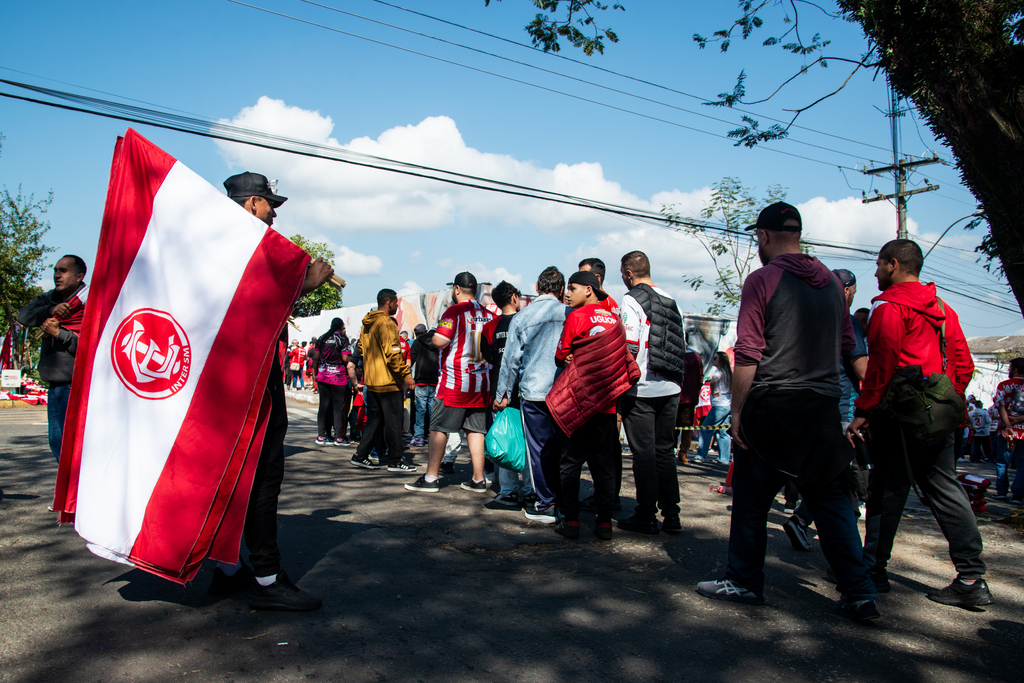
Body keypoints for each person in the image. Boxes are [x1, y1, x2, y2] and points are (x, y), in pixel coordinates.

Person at [697, 201, 878, 621]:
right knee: (831, 501)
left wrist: (737, 412)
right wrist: (869, 403)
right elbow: (853, 352)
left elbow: (749, 352)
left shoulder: (763, 279)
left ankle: (743, 581)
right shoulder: (833, 284)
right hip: (822, 409)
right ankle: (860, 592)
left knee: (750, 499)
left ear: (762, 237)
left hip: (775, 404)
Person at [208, 171, 332, 611]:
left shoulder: (213, 246)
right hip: (249, 381)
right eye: (269, 204)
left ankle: (227, 567)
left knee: (233, 474)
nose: (275, 213)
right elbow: (249, 310)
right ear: (250, 204)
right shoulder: (239, 249)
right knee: (262, 476)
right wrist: (307, 284)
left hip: (229, 382)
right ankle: (266, 578)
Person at [847, 238, 989, 609]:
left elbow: (881, 364)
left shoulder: (890, 308)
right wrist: (944, 403)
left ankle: (872, 571)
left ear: (893, 265)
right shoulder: (943, 309)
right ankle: (972, 577)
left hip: (898, 416)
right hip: (939, 417)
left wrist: (864, 409)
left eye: (879, 265)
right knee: (945, 488)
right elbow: (965, 365)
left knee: (886, 491)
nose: (876, 273)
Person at [783, 267, 870, 553]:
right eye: (853, 293)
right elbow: (862, 368)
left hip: (808, 407)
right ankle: (848, 557)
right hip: (842, 410)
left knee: (831, 476)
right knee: (841, 478)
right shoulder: (846, 319)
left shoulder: (806, 314)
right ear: (846, 290)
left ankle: (804, 520)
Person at [547, 271, 638, 540]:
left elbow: (560, 355)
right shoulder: (615, 319)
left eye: (572, 289)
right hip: (607, 406)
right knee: (604, 467)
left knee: (570, 463)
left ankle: (571, 521)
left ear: (589, 290)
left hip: (578, 403)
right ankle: (605, 523)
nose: (567, 294)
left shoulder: (576, 317)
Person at [405, 272, 496, 493]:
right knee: (475, 431)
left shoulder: (454, 311)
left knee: (438, 428)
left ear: (457, 289)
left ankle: (430, 478)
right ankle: (478, 479)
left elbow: (440, 341)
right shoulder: (487, 314)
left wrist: (436, 337)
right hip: (481, 382)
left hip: (455, 381)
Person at [489, 267, 568, 522]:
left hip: (534, 393)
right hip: (565, 393)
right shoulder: (569, 314)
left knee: (538, 449)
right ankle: (566, 501)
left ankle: (546, 503)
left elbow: (510, 362)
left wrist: (502, 394)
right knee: (565, 450)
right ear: (562, 290)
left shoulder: (523, 318)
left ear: (537, 287)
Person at [617, 251, 686, 535]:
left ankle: (646, 515)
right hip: (670, 387)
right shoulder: (672, 300)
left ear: (629, 274)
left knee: (643, 454)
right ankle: (671, 515)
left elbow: (629, 345)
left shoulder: (631, 299)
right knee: (664, 452)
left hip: (641, 389)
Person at [17, 255, 87, 462]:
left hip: (75, 384)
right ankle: (69, 489)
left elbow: (93, 344)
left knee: (73, 443)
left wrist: (60, 333)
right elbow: (24, 315)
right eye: (55, 270)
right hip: (54, 383)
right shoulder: (48, 299)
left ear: (79, 276)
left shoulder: (89, 302)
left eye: (63, 271)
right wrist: (50, 310)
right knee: (57, 442)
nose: (57, 275)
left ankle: (76, 490)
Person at [352, 289, 417, 473]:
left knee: (375, 421)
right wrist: (406, 375)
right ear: (389, 302)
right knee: (394, 422)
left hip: (372, 381)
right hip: (388, 382)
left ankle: (360, 455)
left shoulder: (367, 323)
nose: (397, 306)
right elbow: (394, 354)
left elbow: (362, 351)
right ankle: (396, 461)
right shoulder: (387, 323)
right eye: (396, 302)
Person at [482, 281, 531, 509]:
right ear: (513, 297)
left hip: (500, 393)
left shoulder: (489, 327)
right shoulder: (527, 322)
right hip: (527, 391)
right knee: (531, 443)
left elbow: (490, 358)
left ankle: (509, 492)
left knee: (505, 439)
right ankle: (531, 491)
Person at [312, 318, 352, 446]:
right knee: (338, 408)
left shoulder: (322, 338)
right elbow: (346, 359)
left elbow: (316, 358)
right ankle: (339, 437)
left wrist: (315, 374)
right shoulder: (343, 339)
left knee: (323, 406)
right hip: (339, 377)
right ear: (341, 327)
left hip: (323, 375)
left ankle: (321, 435)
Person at [992, 357, 1024, 503]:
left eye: (1010, 368)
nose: (1009, 370)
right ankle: (1018, 495)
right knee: (1022, 464)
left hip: (1005, 431)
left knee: (1002, 462)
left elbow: (1001, 407)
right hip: (1023, 432)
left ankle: (1002, 491)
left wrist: (1009, 426)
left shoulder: (1004, 385)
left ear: (1016, 369)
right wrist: (1018, 420)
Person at [693, 352, 732, 465]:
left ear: (721, 361)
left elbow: (713, 380)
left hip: (719, 405)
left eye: (715, 358)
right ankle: (724, 458)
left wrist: (713, 391)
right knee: (723, 431)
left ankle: (701, 456)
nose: (713, 360)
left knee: (705, 428)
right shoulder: (727, 373)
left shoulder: (718, 372)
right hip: (727, 405)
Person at [408, 323, 439, 447]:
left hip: (421, 380)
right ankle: (434, 436)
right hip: (435, 380)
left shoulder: (418, 341)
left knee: (420, 410)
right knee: (433, 410)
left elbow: (411, 359)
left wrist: (408, 376)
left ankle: (419, 437)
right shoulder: (439, 342)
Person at [676, 339, 703, 463]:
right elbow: (700, 378)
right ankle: (683, 453)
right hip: (690, 397)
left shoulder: (675, 355)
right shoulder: (697, 358)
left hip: (674, 394)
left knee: (670, 425)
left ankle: (669, 450)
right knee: (686, 427)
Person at [969, 399, 992, 463]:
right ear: (980, 405)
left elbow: (969, 421)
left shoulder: (971, 413)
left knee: (976, 445)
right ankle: (987, 456)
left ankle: (976, 457)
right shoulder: (984, 412)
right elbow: (988, 421)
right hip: (984, 430)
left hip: (975, 430)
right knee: (986, 445)